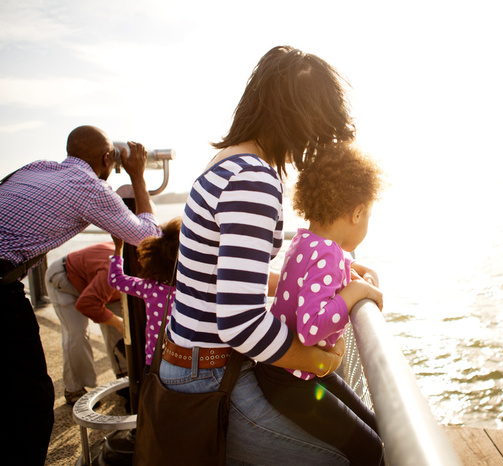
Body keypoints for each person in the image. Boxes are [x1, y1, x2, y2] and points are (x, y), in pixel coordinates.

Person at [160, 45, 368, 465]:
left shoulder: (224, 163)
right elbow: (239, 322)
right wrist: (318, 360)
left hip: (192, 361)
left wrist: (306, 279)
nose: (315, 145)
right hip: (211, 375)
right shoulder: (254, 180)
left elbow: (225, 277)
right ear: (300, 117)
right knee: (354, 454)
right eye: (319, 129)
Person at [0, 126, 160, 465]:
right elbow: (148, 237)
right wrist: (138, 176)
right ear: (106, 159)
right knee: (31, 399)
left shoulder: (37, 167)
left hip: (18, 274)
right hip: (11, 282)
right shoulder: (90, 187)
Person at [255, 143, 384, 465]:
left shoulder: (306, 241)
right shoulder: (327, 253)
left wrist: (349, 271)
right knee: (372, 449)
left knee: (378, 429)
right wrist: (353, 292)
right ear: (357, 212)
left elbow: (313, 278)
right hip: (291, 379)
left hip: (292, 369)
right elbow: (312, 328)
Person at [45, 242, 128, 405]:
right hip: (64, 279)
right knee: (76, 333)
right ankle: (74, 389)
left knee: (121, 330)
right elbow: (86, 304)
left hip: (100, 283)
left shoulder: (138, 257)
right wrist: (118, 322)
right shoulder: (113, 269)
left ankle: (124, 377)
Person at [108, 217, 181, 366]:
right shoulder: (194, 291)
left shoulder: (150, 288)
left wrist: (118, 248)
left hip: (155, 363)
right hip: (185, 363)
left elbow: (115, 279)